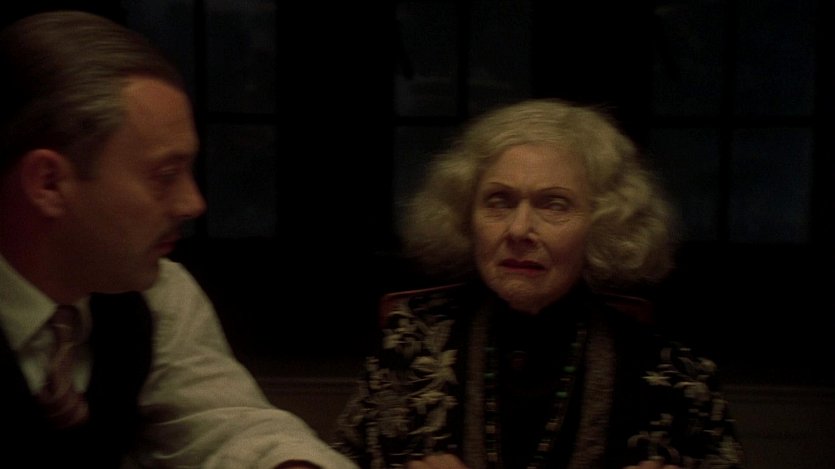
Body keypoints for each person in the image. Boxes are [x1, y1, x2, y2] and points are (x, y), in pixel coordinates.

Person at [0, 10, 357, 469]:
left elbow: (227, 424)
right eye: (165, 175)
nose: (193, 203)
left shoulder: (153, 294)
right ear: (49, 184)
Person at [331, 98, 745, 468]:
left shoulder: (676, 376)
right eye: (499, 201)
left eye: (554, 205)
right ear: (466, 215)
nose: (519, 229)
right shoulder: (410, 341)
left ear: (603, 225)